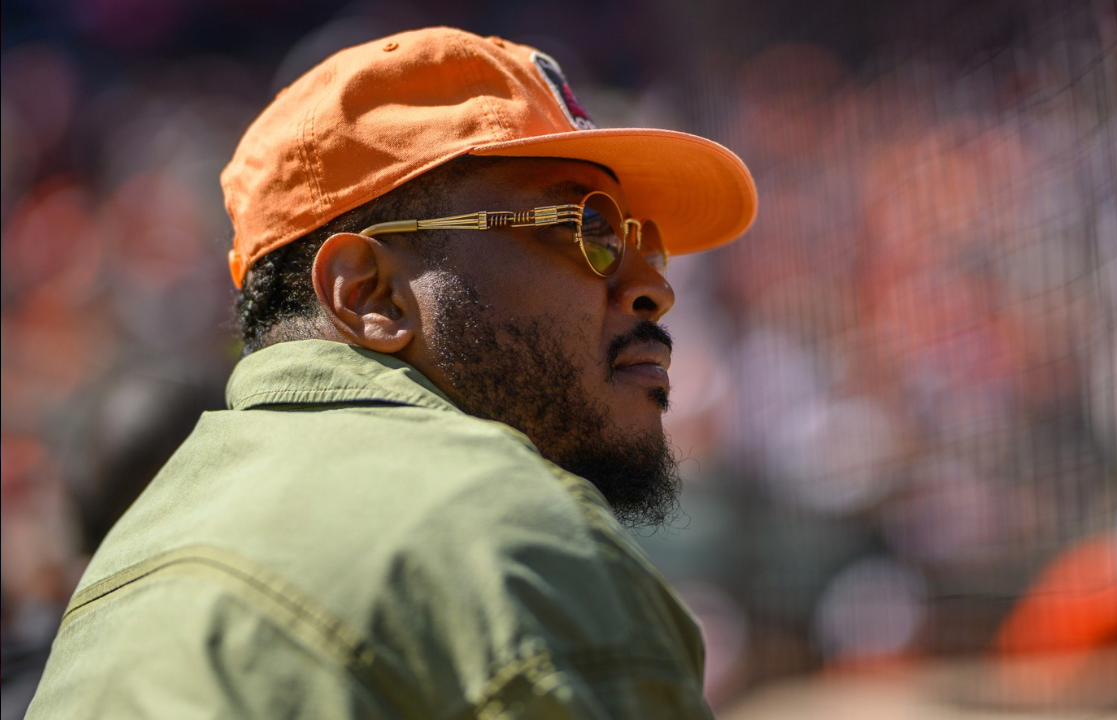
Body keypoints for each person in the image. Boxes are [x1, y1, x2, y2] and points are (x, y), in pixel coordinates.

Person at [25, 27, 756, 719]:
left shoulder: (119, 572)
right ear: (367, 294)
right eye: (585, 227)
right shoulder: (502, 524)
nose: (651, 286)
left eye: (644, 241)